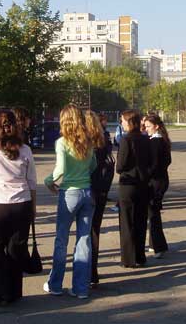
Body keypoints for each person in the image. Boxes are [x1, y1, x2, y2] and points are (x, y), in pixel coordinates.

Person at [0, 111, 37, 306]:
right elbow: (32, 183)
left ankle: (0, 291)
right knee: (16, 247)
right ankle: (15, 291)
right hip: (21, 204)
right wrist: (33, 207)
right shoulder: (26, 150)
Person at [44, 104, 96, 299]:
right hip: (86, 192)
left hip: (69, 193)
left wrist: (48, 181)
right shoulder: (88, 141)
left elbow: (60, 169)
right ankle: (80, 288)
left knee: (61, 239)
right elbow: (94, 165)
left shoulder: (62, 142)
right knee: (84, 240)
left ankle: (55, 284)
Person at [116, 110, 151, 268]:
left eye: (123, 121)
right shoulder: (145, 139)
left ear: (129, 122)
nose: (121, 123)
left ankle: (128, 258)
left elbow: (120, 165)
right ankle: (140, 256)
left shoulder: (126, 140)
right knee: (141, 220)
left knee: (127, 222)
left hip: (128, 185)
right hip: (143, 184)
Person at [85, 111, 115, 288]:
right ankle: (92, 272)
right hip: (101, 188)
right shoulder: (102, 141)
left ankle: (86, 271)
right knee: (94, 230)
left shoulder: (84, 144)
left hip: (87, 188)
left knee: (84, 232)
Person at [144, 114, 171, 259]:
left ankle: (158, 246)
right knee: (153, 213)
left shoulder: (156, 142)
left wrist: (144, 175)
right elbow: (167, 161)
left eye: (148, 126)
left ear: (156, 126)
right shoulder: (163, 141)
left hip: (155, 182)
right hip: (161, 180)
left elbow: (153, 165)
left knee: (153, 214)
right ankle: (155, 244)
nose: (146, 129)